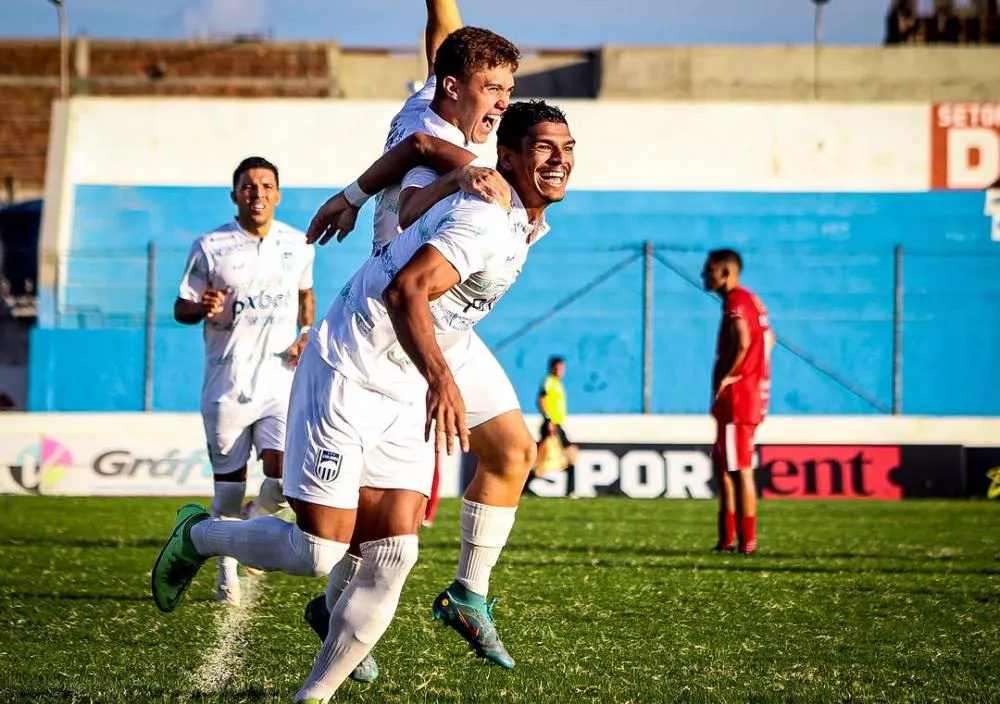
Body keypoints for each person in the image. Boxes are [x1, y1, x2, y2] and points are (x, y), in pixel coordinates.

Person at [150, 99, 575, 704]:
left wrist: (432, 184)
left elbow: (411, 200)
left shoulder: (507, 209)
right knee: (318, 551)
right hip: (349, 366)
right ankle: (201, 536)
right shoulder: (484, 212)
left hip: (404, 378)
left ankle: (315, 696)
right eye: (544, 148)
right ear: (506, 156)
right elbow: (406, 290)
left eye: (568, 148)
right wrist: (443, 379)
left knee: (396, 551)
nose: (559, 160)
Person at [303, 2, 535, 675]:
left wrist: (351, 195)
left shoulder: (448, 97)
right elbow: (411, 197)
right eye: (494, 88)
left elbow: (445, 34)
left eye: (508, 89)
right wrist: (472, 173)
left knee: (513, 451)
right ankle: (330, 605)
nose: (503, 101)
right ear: (456, 85)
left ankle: (467, 594)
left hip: (449, 323)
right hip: (401, 327)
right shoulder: (431, 126)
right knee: (372, 524)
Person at [172, 156, 315, 604]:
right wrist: (201, 307)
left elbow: (305, 295)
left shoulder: (298, 244)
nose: (258, 194)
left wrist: (306, 333)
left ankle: (258, 516)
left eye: (266, 186)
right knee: (228, 493)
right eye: (249, 186)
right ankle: (226, 577)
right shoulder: (210, 246)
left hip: (279, 380)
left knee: (285, 473)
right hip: (227, 385)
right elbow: (182, 306)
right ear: (235, 194)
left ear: (278, 195)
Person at [701, 249, 773, 555]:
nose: (704, 275)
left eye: (709, 270)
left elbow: (743, 340)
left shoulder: (736, 302)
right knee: (723, 467)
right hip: (746, 396)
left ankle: (748, 543)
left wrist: (728, 377)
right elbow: (769, 340)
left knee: (740, 469)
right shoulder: (751, 300)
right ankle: (727, 540)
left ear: (725, 273)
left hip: (738, 399)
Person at [536, 355, 578, 471]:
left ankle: (532, 475)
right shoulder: (548, 381)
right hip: (551, 424)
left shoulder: (558, 383)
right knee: (569, 454)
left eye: (561, 369)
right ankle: (529, 477)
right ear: (552, 368)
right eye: (557, 368)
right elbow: (541, 400)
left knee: (570, 455)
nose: (560, 371)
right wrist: (548, 420)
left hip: (556, 424)